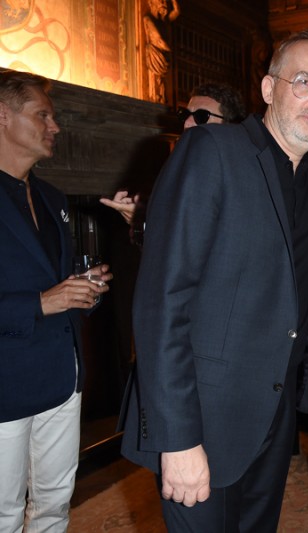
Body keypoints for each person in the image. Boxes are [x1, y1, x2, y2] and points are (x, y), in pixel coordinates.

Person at [118, 29, 308, 531]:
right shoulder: (211, 150)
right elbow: (163, 301)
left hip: (273, 414)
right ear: (269, 89)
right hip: (202, 422)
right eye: (305, 81)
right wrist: (176, 439)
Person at [0, 68, 112, 532]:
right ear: (2, 116)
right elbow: (42, 297)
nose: (55, 127)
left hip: (63, 379)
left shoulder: (52, 197)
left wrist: (85, 290)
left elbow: (57, 286)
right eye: (42, 114)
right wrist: (40, 303)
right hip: (5, 385)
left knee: (54, 505)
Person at [100, 82, 246, 225]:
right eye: (185, 114)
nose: (187, 123)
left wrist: (150, 219)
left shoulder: (238, 172)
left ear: (228, 125)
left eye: (202, 116)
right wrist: (145, 213)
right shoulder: (184, 166)